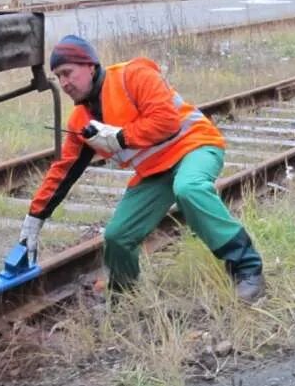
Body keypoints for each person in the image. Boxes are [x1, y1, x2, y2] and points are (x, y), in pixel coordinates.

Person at [18, 35, 265, 303]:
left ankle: (247, 268)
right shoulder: (81, 121)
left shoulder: (133, 76)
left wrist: (122, 136)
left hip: (195, 146)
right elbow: (63, 171)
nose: (64, 83)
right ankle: (124, 295)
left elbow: (167, 121)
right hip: (154, 172)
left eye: (68, 73)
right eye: (58, 77)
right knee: (117, 236)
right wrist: (34, 218)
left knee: (189, 188)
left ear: (90, 65)